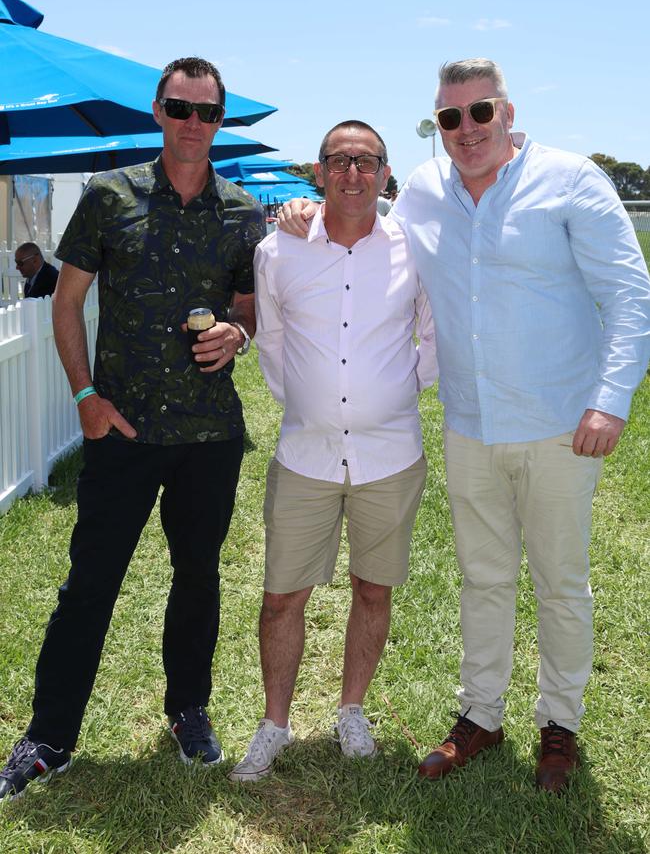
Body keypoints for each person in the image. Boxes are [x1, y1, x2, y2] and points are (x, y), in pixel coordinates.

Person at [274, 59, 650, 792]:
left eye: (480, 113)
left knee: (560, 581)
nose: (466, 129)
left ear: (507, 112)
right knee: (483, 579)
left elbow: (630, 294)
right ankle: (480, 714)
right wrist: (304, 213)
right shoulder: (420, 190)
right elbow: (362, 229)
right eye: (450, 117)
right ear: (437, 123)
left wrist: (612, 398)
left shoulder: (570, 179)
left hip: (560, 423)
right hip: (470, 425)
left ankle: (560, 725)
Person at [0, 57, 265, 802]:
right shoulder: (110, 198)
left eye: (207, 112)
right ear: (158, 111)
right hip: (121, 430)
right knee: (89, 584)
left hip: (209, 435)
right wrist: (84, 395)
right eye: (180, 108)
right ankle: (50, 734)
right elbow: (64, 301)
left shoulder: (242, 211)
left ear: (219, 120)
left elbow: (250, 310)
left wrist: (238, 337)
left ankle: (188, 710)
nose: (193, 124)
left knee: (198, 578)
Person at [229, 120, 437, 782]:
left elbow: (432, 339)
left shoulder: (417, 248)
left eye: (368, 161)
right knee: (283, 595)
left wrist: (391, 394)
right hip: (306, 455)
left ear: (384, 174)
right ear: (316, 172)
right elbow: (273, 341)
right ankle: (274, 723)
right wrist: (314, 404)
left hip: (390, 455)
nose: (354, 173)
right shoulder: (278, 250)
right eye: (340, 161)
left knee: (373, 589)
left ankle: (352, 709)